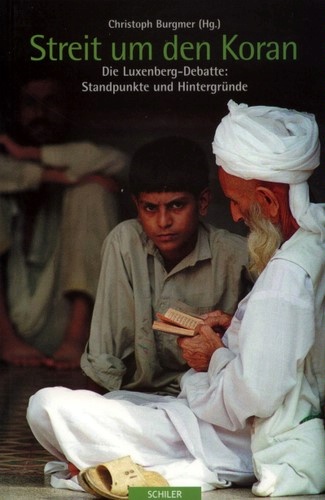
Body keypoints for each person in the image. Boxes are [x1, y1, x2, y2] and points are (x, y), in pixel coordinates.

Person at [27, 100, 325, 497]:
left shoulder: (283, 273)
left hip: (230, 432)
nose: (234, 215)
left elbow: (254, 396)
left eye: (236, 202)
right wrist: (235, 330)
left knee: (47, 406)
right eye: (151, 208)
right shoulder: (309, 248)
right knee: (110, 405)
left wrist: (213, 356)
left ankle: (154, 466)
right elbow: (273, 358)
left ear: (269, 202)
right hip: (204, 414)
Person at [80, 136, 249, 395]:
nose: (163, 221)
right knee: (47, 405)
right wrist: (93, 416)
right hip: (134, 402)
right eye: (150, 208)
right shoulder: (124, 243)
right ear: (137, 206)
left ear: (202, 202)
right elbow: (104, 356)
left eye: (177, 205)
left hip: (205, 400)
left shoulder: (236, 256)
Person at [0, 74, 128, 369]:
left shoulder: (76, 154)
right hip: (12, 320)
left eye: (51, 103)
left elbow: (118, 161)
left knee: (92, 191)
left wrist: (33, 155)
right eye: (30, 104)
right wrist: (52, 175)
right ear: (16, 111)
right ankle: (4, 336)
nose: (40, 115)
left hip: (63, 322)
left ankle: (77, 333)